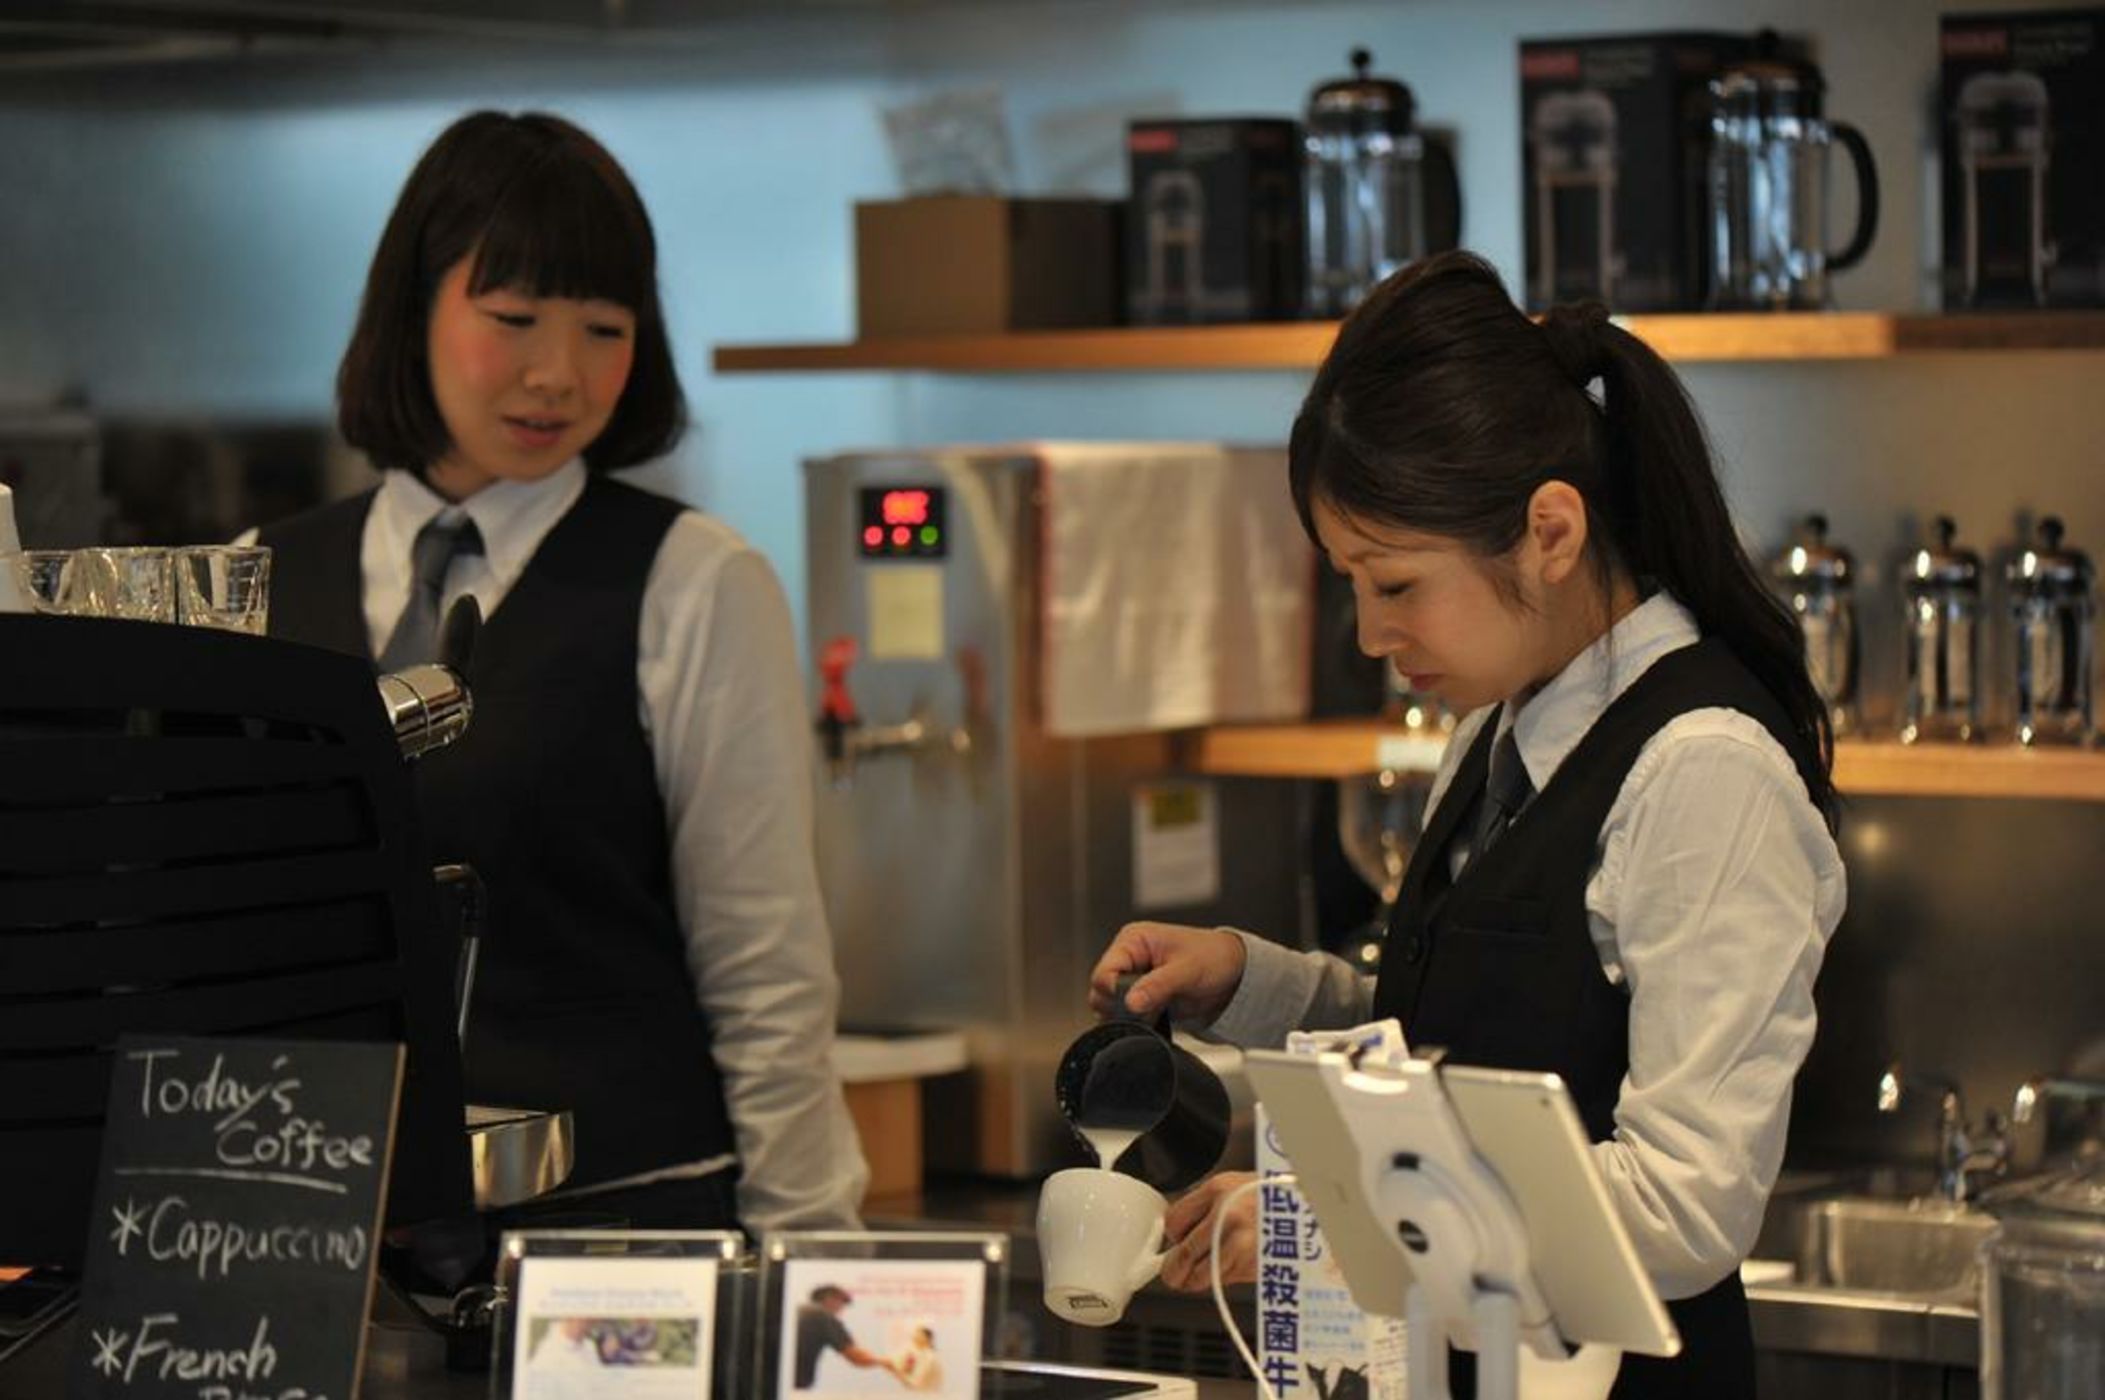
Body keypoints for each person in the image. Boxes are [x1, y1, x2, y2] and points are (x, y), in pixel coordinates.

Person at [1090, 252, 1844, 1398]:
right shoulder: (1497, 728)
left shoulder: (1703, 773)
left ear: (1549, 530)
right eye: (1349, 583)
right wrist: (1251, 984)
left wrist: (1326, 1217)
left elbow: (1684, 1205)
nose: (1368, 633)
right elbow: (1456, 1043)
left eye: (1393, 583)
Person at [253, 111, 866, 1235]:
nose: (557, 374)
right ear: (412, 309)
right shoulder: (259, 575)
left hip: (618, 1233)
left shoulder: (692, 580)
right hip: (312, 1226)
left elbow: (765, 967)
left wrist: (812, 1254)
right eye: (514, 319)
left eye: (604, 329)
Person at [793, 1285, 899, 1389]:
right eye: (841, 1303)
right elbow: (857, 1357)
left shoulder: (797, 1311)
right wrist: (885, 1362)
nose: (840, 1310)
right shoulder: (822, 1315)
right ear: (830, 1299)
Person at [895, 1324, 944, 1391]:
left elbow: (917, 1383)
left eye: (918, 1335)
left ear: (926, 1338)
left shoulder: (929, 1357)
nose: (914, 1338)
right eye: (914, 1335)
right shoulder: (923, 1355)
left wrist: (899, 1373)